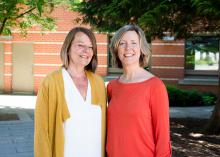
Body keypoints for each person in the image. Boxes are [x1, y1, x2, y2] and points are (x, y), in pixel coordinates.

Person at [34, 27, 107, 157]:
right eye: (80, 45)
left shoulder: (99, 84)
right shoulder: (51, 82)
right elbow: (42, 133)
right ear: (67, 48)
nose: (86, 51)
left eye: (90, 47)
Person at [106, 24, 171, 157]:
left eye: (134, 43)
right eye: (122, 43)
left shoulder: (155, 86)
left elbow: (162, 138)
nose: (128, 48)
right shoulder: (112, 87)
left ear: (141, 49)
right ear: (116, 49)